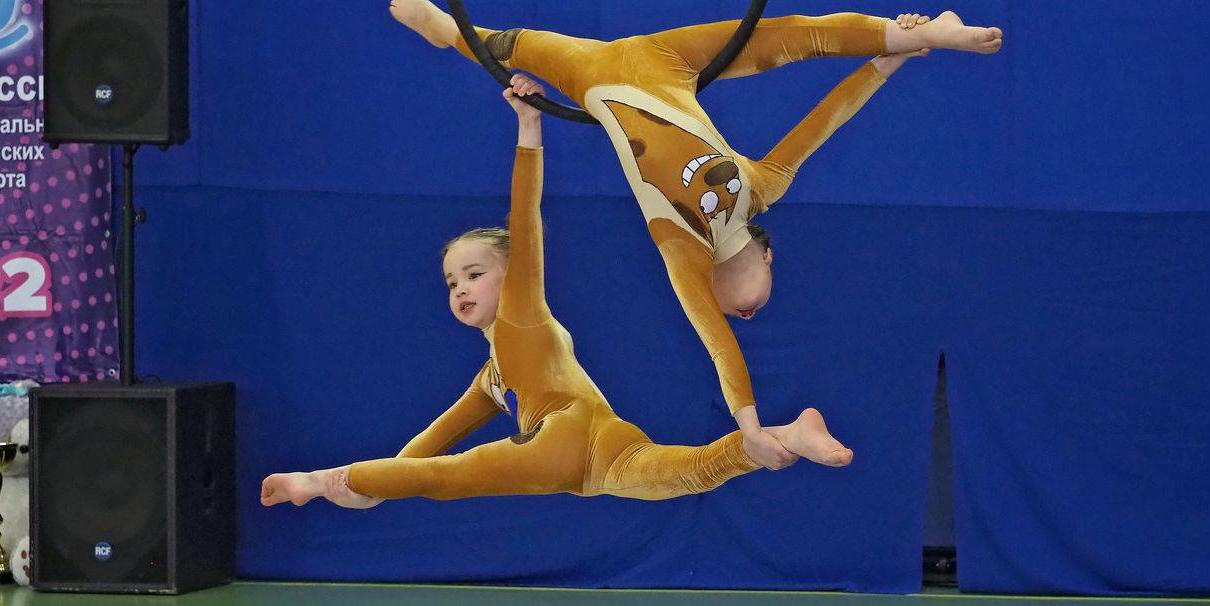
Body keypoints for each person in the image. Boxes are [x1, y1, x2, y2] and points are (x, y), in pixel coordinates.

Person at [389, 0, 1000, 467]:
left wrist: (749, 426)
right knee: (784, 36)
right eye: (754, 309)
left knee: (503, 46)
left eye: (741, 313)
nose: (745, 314)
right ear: (768, 257)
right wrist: (888, 62)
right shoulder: (763, 187)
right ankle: (926, 31)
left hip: (594, 75)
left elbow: (716, 342)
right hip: (668, 60)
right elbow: (825, 121)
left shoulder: (683, 249)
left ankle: (448, 32)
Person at [261, 76, 851, 512]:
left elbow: (525, 219)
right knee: (693, 470)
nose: (461, 288)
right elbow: (432, 441)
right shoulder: (492, 377)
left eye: (474, 273)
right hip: (605, 452)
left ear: (511, 274)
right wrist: (383, 482)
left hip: (564, 437)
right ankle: (790, 435)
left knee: (450, 478)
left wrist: (529, 127)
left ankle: (318, 478)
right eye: (452, 282)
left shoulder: (522, 313)